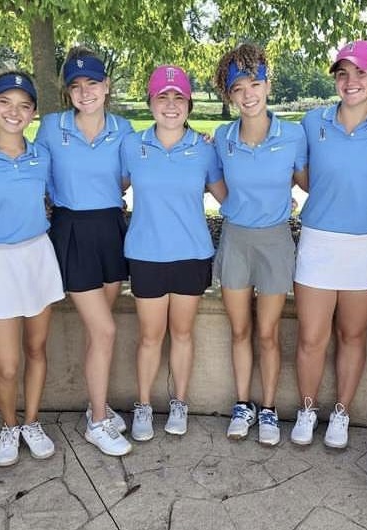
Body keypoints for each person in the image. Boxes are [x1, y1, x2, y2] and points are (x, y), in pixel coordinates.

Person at [290, 40, 367, 449]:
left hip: (366, 246)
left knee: (352, 336)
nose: (351, 81)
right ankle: (307, 409)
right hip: (318, 242)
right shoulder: (312, 121)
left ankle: (341, 413)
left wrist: (362, 191)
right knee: (311, 336)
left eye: (361, 73)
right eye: (343, 73)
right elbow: (301, 175)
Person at [0, 70, 65, 466]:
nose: (13, 112)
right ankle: (8, 425)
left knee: (36, 349)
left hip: (38, 254)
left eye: (23, 105)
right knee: (7, 364)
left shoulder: (42, 155)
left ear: (34, 112)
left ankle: (32, 422)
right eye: (4, 102)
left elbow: (59, 195)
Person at [35, 47, 133, 456]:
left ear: (106, 86)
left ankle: (99, 404)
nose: (85, 92)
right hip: (71, 230)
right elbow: (24, 170)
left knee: (101, 330)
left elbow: (130, 177)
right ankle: (96, 420)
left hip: (111, 228)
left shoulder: (124, 128)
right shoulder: (51, 127)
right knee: (105, 330)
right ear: (67, 93)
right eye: (76, 86)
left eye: (92, 83)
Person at [121, 65, 227, 441]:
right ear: (150, 102)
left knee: (182, 334)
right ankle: (145, 405)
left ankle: (179, 402)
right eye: (162, 97)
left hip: (191, 254)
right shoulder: (132, 145)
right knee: (150, 337)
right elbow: (110, 189)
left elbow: (224, 196)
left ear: (189, 104)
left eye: (178, 98)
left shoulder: (204, 148)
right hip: (146, 254)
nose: (170, 105)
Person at [211, 43, 308, 445]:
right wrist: (235, 205)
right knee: (239, 330)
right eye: (238, 88)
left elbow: (305, 181)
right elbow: (215, 183)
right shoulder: (221, 137)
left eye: (255, 83)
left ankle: (267, 410)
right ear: (230, 96)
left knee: (267, 333)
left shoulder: (294, 135)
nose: (248, 93)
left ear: (268, 85)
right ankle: (242, 405)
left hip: (275, 243)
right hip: (235, 240)